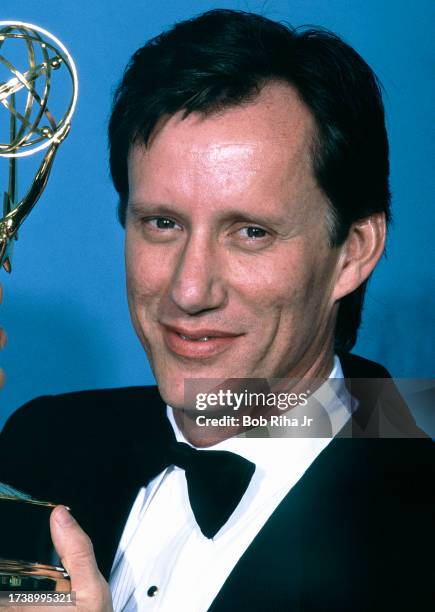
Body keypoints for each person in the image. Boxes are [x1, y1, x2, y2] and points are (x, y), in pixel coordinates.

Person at [0, 9, 433, 611]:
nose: (190, 289)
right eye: (162, 223)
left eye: (251, 232)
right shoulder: (41, 443)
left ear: (353, 252)